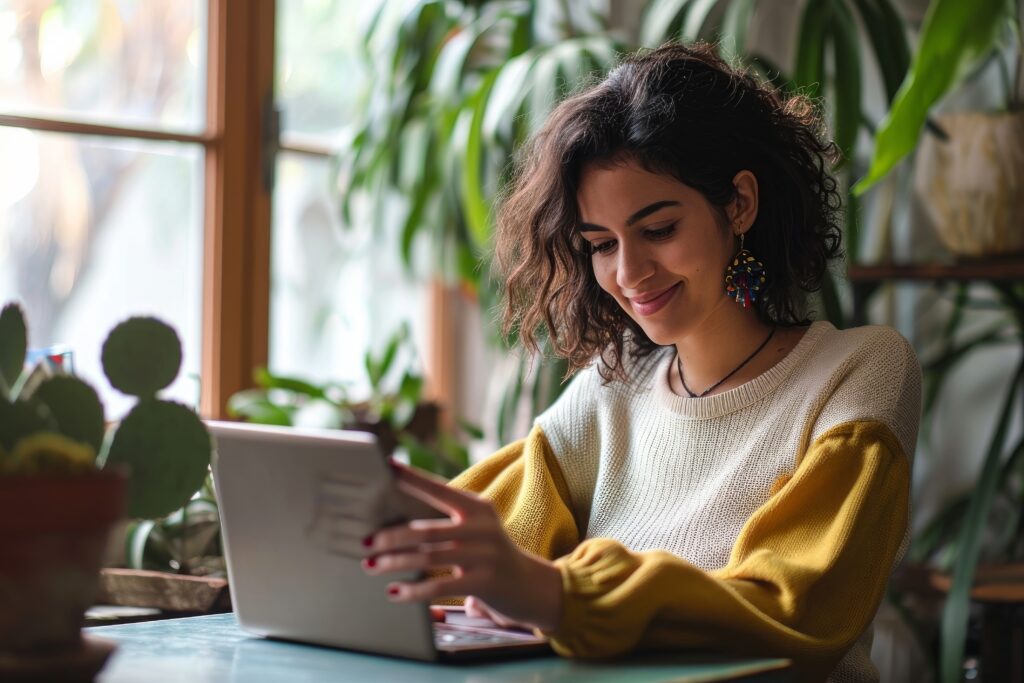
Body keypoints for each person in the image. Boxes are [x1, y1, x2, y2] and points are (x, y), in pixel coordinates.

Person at [360, 42, 921, 683]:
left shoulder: (858, 372)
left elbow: (791, 614)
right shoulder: (615, 383)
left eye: (658, 230)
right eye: (600, 244)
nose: (628, 274)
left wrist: (557, 595)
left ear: (739, 204)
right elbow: (485, 540)